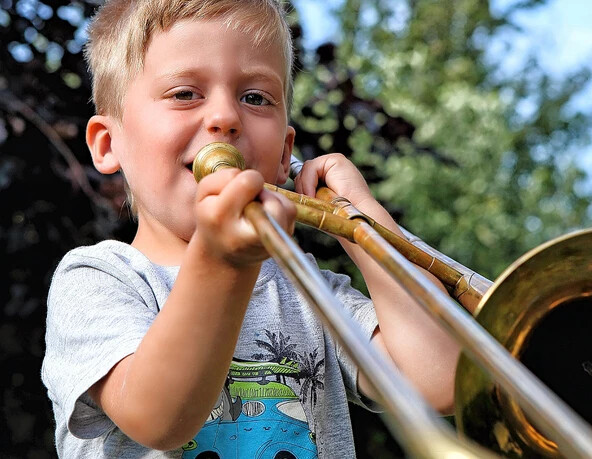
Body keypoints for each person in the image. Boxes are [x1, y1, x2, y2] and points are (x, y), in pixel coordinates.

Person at [40, 1, 460, 457]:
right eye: (185, 93)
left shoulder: (311, 291)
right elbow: (158, 418)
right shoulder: (97, 280)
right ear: (108, 143)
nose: (226, 117)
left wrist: (363, 222)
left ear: (284, 153)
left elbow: (439, 381)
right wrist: (222, 262)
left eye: (256, 97)